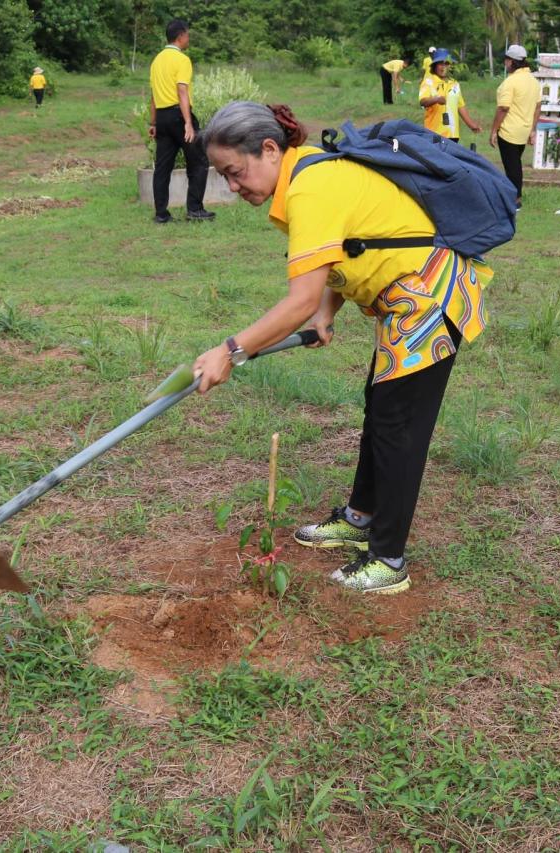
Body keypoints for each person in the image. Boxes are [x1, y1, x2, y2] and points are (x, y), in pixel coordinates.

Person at [193, 102, 492, 595]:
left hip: (428, 299)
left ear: (269, 150)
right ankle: (360, 516)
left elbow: (299, 299)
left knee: (398, 427)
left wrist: (229, 350)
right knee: (381, 411)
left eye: (235, 172)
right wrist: (326, 314)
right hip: (405, 302)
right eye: (225, 176)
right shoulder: (306, 174)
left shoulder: (310, 185)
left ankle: (388, 558)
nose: (233, 186)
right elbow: (349, 248)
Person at [148, 19, 213, 223]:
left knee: (162, 167)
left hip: (162, 117)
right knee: (199, 161)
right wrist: (187, 122)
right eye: (188, 35)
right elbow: (182, 91)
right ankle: (194, 209)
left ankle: (161, 214)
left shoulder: (157, 60)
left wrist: (152, 123)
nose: (189, 38)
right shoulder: (182, 60)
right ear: (180, 36)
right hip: (179, 116)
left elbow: (153, 95)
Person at [488, 44, 540, 209]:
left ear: (511, 61)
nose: (505, 63)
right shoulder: (533, 81)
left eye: (506, 60)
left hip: (509, 131)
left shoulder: (510, 82)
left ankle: (515, 200)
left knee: (512, 167)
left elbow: (503, 108)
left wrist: (494, 130)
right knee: (515, 164)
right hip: (524, 131)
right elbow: (538, 107)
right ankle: (512, 197)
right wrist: (532, 129)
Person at [418, 49, 480, 145]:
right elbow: (423, 101)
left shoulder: (454, 84)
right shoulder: (428, 82)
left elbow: (460, 106)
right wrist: (436, 99)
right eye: (440, 64)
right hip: (435, 133)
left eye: (446, 64)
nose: (443, 67)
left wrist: (471, 125)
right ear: (434, 66)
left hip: (453, 134)